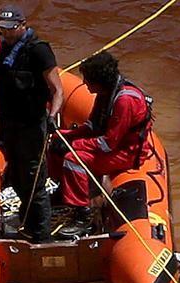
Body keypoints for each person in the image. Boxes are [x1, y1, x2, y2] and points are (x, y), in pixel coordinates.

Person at [48, 50, 152, 237]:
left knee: (74, 159)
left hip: (126, 153)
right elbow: (91, 126)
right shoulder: (105, 95)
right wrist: (64, 136)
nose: (84, 84)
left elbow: (108, 143)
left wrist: (75, 145)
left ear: (99, 81)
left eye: (87, 80)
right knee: (57, 143)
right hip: (111, 146)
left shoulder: (124, 101)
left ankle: (83, 216)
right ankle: (64, 193)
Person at [0, 5, 64, 242]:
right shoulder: (5, 51)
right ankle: (28, 221)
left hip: (32, 124)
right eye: (3, 30)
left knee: (34, 179)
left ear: (23, 25)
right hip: (10, 123)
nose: (7, 34)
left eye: (11, 29)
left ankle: (42, 236)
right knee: (17, 178)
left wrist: (52, 117)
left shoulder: (38, 51)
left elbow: (57, 90)